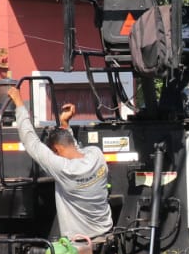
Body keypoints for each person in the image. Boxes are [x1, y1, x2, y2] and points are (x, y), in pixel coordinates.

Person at [6, 88, 113, 239]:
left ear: (56, 150)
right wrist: (65, 123)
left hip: (81, 242)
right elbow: (74, 149)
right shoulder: (96, 155)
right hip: (105, 231)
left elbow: (31, 142)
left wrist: (18, 102)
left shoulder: (64, 169)